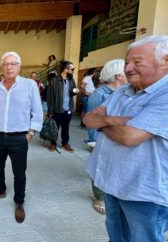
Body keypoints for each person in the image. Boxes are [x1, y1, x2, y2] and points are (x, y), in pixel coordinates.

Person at [84, 35, 168, 241]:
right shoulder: (122, 92)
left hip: (143, 192)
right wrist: (114, 121)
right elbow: (88, 118)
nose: (128, 68)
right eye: (127, 62)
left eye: (137, 62)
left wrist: (103, 122)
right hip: (114, 183)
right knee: (118, 236)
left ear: (165, 60)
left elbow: (129, 137)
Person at [0, 51, 43, 223]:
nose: (9, 67)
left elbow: (38, 113)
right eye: (5, 64)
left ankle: (19, 202)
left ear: (19, 66)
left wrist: (30, 134)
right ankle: (0, 190)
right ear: (2, 67)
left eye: (13, 63)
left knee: (19, 172)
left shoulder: (29, 85)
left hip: (20, 137)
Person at [85, 59, 127, 215]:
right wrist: (93, 141)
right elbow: (91, 120)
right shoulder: (99, 94)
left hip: (119, 138)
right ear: (118, 75)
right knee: (99, 167)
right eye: (126, 71)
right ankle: (99, 197)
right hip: (102, 138)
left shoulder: (126, 92)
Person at [47, 60, 79, 152]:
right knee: (55, 127)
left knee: (66, 127)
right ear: (65, 69)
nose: (73, 71)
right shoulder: (54, 80)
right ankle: (53, 143)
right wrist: (50, 111)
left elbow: (72, 93)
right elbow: (50, 97)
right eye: (72, 69)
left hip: (68, 109)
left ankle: (65, 143)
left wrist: (75, 92)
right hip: (57, 109)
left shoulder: (71, 80)